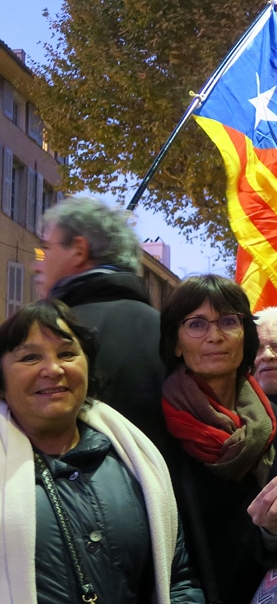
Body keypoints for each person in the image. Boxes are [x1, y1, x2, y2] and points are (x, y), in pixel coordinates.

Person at [0, 300, 203, 603]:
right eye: (30, 357)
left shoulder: (135, 461)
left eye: (67, 354)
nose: (53, 369)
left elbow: (178, 579)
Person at [159, 275, 277, 603]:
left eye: (228, 321)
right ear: (175, 342)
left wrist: (274, 531)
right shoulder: (154, 432)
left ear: (246, 335)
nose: (214, 336)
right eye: (197, 324)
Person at [34, 196, 173, 461]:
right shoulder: (170, 332)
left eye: (45, 249)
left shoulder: (46, 335)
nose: (36, 264)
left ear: (78, 249)